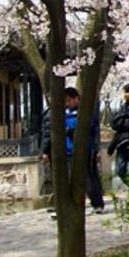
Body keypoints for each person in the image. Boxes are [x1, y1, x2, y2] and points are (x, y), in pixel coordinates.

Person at [42, 88, 105, 216]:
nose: (67, 103)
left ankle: (97, 203)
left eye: (69, 100)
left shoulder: (85, 112)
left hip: (83, 150)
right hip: (67, 151)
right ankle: (63, 207)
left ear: (77, 98)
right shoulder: (62, 113)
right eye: (65, 101)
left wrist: (70, 131)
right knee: (66, 180)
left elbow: (89, 129)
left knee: (88, 177)